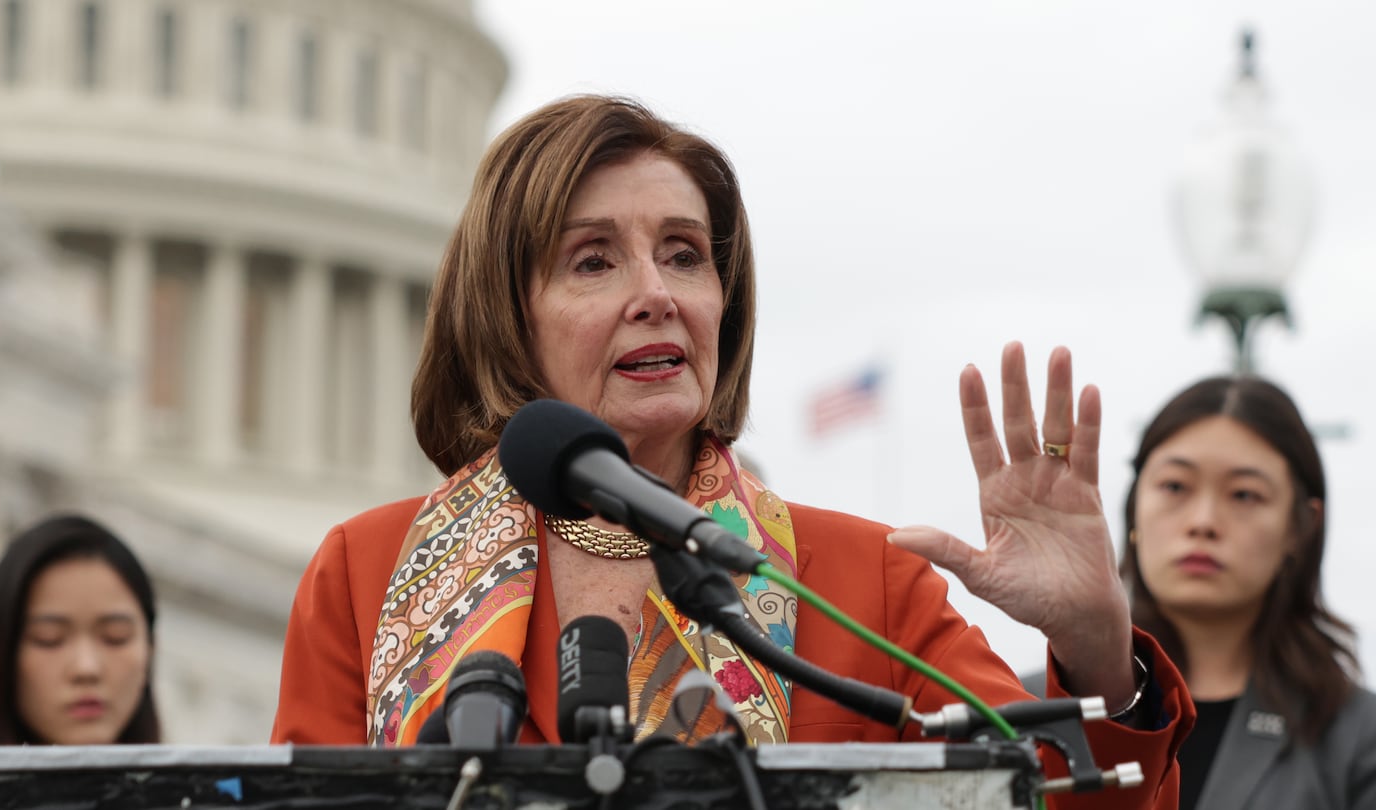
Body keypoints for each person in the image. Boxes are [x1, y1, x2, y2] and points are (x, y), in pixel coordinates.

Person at [271, 94, 1191, 807]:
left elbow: (1056, 799)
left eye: (684, 254)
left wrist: (1096, 649)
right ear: (505, 316)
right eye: (593, 260)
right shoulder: (367, 572)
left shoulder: (861, 577)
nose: (655, 293)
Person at [1118, 376, 1376, 809]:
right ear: (1134, 508)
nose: (1203, 522)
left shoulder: (1357, 736)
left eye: (1244, 494)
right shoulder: (1027, 710)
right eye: (1175, 486)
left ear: (1301, 527)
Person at [0, 513, 161, 745]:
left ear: (150, 648)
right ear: (2, 654)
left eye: (116, 636)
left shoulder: (204, 781)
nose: (86, 668)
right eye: (48, 638)